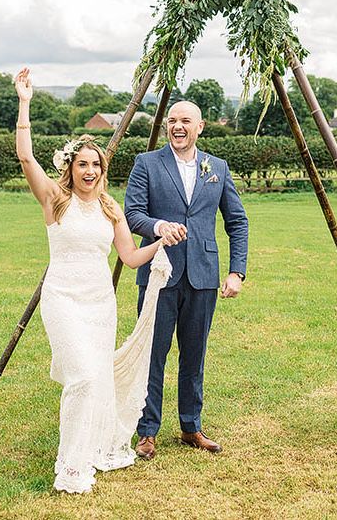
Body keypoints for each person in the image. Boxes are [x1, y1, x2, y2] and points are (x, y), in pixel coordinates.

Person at [14, 68, 182, 493]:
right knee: (84, 377)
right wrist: (25, 103)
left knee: (97, 376)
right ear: (70, 168)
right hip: (63, 299)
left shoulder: (111, 208)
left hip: (99, 304)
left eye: (96, 165)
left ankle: (90, 446)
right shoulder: (55, 199)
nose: (90, 171)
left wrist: (159, 240)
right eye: (83, 164)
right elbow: (26, 159)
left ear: (103, 170)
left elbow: (128, 255)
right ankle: (71, 465)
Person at [125, 100, 248, 460]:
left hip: (203, 276)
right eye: (172, 121)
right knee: (152, 354)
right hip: (159, 273)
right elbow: (132, 213)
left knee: (194, 355)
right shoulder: (146, 163)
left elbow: (237, 222)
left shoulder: (217, 168)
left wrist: (236, 271)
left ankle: (191, 426)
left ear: (200, 127)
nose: (178, 127)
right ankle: (147, 431)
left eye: (186, 121)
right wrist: (158, 227)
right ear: (166, 126)